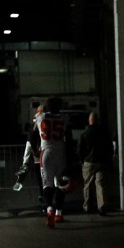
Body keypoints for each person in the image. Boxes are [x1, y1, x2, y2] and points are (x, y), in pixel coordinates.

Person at [35, 96, 72, 228]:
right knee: (60, 185)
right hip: (60, 153)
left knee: (47, 185)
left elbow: (33, 133)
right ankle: (59, 213)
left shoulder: (40, 117)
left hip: (46, 153)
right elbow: (69, 138)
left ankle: (49, 209)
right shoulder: (65, 118)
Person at [77, 112, 115, 214]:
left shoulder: (84, 133)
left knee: (88, 185)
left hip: (88, 162)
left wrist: (82, 160)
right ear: (97, 121)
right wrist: (109, 160)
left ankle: (88, 207)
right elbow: (109, 147)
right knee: (100, 184)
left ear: (89, 121)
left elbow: (80, 149)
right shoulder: (104, 133)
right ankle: (102, 206)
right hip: (101, 162)